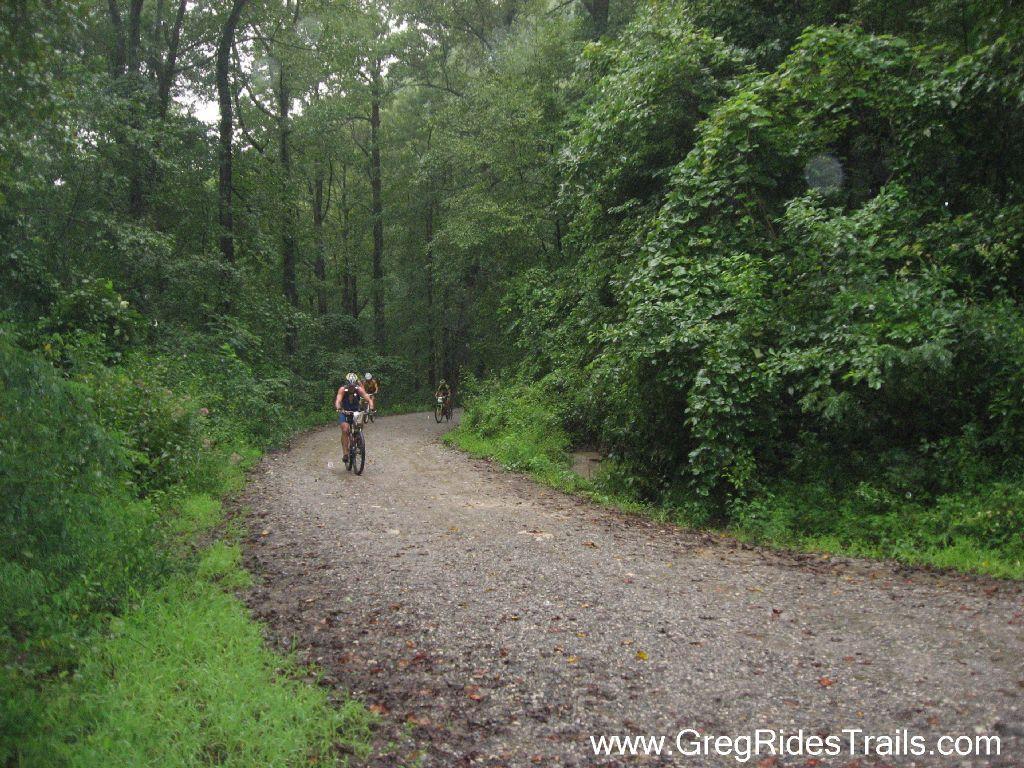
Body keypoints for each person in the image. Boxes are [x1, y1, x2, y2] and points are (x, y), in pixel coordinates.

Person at [335, 372, 373, 465]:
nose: (351, 387)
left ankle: (358, 441)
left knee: (359, 427)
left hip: (356, 412)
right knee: (345, 429)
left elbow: (367, 398)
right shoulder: (342, 390)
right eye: (350, 385)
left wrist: (371, 407)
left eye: (353, 385)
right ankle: (345, 453)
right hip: (345, 411)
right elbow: (338, 400)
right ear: (347, 384)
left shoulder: (358, 389)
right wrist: (339, 408)